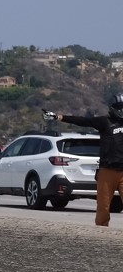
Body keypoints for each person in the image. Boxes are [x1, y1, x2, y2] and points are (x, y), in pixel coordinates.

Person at [47, 88, 123, 227]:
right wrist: (60, 117)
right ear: (112, 109)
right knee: (103, 207)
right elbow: (83, 121)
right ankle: (101, 233)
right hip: (107, 171)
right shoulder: (105, 122)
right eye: (119, 108)